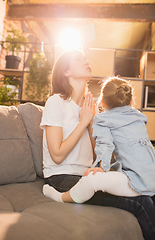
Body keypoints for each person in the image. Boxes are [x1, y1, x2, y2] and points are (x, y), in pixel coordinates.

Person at [40, 50, 155, 240]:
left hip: (88, 175)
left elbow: (97, 155)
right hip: (61, 177)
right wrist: (84, 122)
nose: (86, 61)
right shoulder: (56, 102)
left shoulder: (92, 106)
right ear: (66, 72)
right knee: (142, 202)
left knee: (149, 192)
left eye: (85, 58)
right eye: (78, 59)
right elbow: (57, 155)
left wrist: (93, 121)